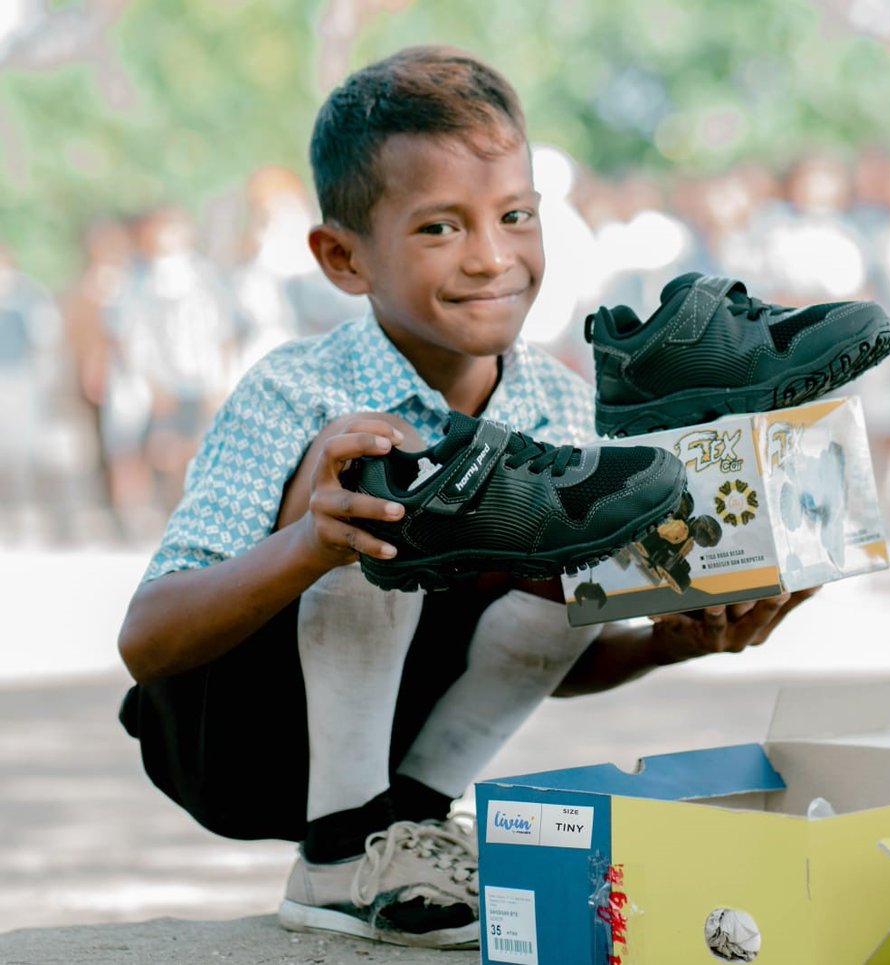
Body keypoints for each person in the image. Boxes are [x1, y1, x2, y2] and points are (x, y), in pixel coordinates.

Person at [116, 45, 811, 950]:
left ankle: (403, 834)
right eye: (440, 228)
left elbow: (528, 642)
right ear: (342, 257)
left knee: (577, 517)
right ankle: (335, 856)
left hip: (402, 739)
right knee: (381, 465)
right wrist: (312, 541)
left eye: (515, 216)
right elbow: (147, 638)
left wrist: (665, 643)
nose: (492, 258)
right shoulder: (295, 391)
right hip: (237, 736)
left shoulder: (561, 406)